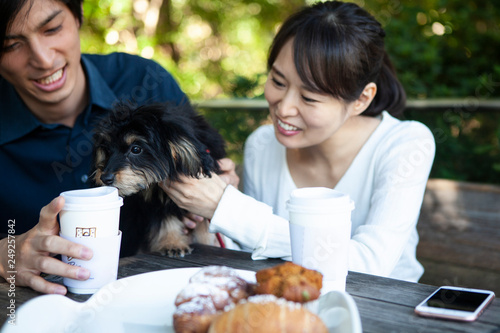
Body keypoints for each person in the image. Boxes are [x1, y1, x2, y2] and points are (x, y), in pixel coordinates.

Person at [163, 1, 436, 283]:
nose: (284, 109)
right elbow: (253, 256)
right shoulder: (263, 144)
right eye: (278, 82)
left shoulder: (405, 144)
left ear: (361, 99)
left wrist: (227, 207)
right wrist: (210, 217)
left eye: (309, 98)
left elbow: (369, 264)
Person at [0, 0, 238, 295]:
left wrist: (221, 190)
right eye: (11, 45)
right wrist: (4, 257)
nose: (43, 59)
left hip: (163, 287)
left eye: (52, 29)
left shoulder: (147, 82)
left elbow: (207, 163)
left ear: (79, 17)